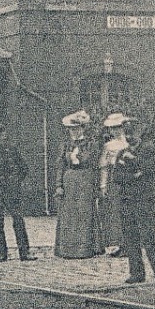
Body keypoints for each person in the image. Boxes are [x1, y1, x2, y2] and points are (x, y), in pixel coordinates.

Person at [113, 117, 155, 284]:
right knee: (130, 237)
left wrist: (132, 162)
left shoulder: (148, 150)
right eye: (127, 134)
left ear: (139, 132)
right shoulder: (121, 153)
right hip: (126, 200)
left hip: (143, 199)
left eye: (132, 133)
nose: (129, 137)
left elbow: (149, 170)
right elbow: (117, 176)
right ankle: (136, 273)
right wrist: (134, 174)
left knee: (149, 235)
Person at [0, 122, 34, 262]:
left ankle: (24, 251)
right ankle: (1, 253)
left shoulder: (13, 151)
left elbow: (23, 169)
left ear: (5, 135)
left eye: (0, 135)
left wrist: (15, 183)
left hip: (12, 191)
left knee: (18, 220)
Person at [53, 110, 102, 258]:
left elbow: (92, 163)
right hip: (69, 181)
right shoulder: (65, 145)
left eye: (76, 129)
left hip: (85, 180)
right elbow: (60, 165)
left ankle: (84, 249)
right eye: (71, 129)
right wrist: (59, 185)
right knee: (68, 214)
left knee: (84, 212)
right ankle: (67, 249)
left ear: (83, 128)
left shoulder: (90, 144)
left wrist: (77, 157)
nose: (73, 132)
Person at [98, 114, 129, 256]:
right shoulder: (108, 146)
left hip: (128, 179)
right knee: (114, 211)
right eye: (113, 128)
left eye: (118, 127)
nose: (116, 131)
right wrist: (103, 185)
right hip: (114, 180)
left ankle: (129, 243)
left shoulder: (130, 143)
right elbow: (104, 166)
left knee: (128, 210)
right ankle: (116, 244)